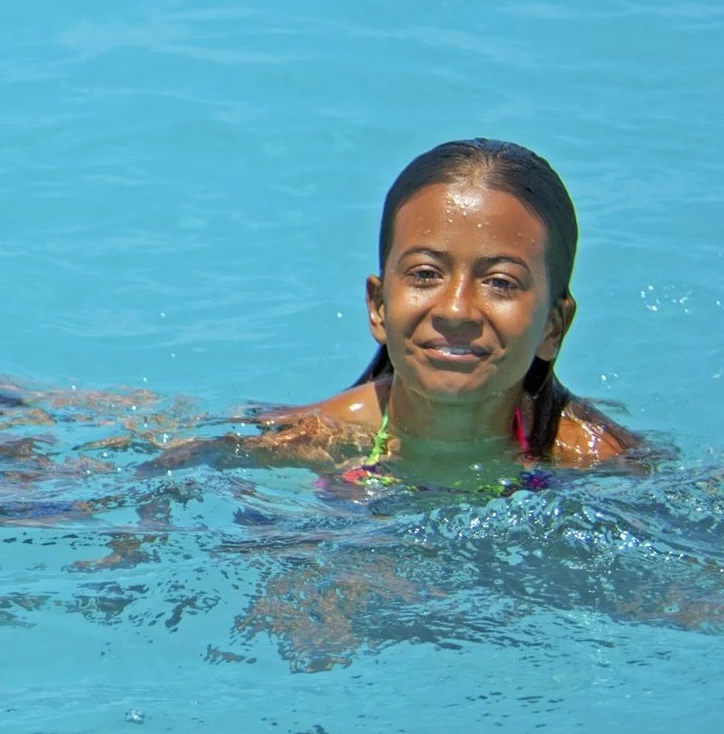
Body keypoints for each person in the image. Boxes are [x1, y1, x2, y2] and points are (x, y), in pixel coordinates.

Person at [157, 138, 634, 487]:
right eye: (425, 274)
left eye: (500, 283)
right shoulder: (328, 433)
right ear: (380, 307)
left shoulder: (595, 457)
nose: (455, 309)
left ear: (554, 326)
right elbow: (182, 462)